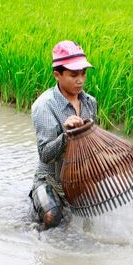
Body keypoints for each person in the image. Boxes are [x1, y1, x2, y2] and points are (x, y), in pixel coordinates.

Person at [29, 40, 97, 229]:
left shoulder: (90, 102)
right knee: (52, 217)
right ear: (57, 75)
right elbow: (45, 154)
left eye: (83, 73)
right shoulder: (45, 106)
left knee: (90, 223)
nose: (80, 80)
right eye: (73, 74)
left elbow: (90, 144)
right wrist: (66, 135)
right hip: (50, 180)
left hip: (77, 179)